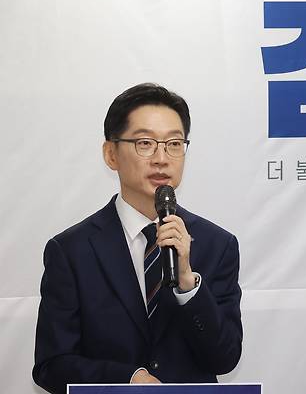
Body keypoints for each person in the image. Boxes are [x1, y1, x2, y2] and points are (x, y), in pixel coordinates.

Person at [32, 83, 242, 394]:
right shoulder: (71, 251)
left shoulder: (217, 245)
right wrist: (127, 379)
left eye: (174, 144)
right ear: (111, 154)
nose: (161, 158)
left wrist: (188, 284)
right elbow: (52, 366)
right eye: (145, 143)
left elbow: (225, 358)